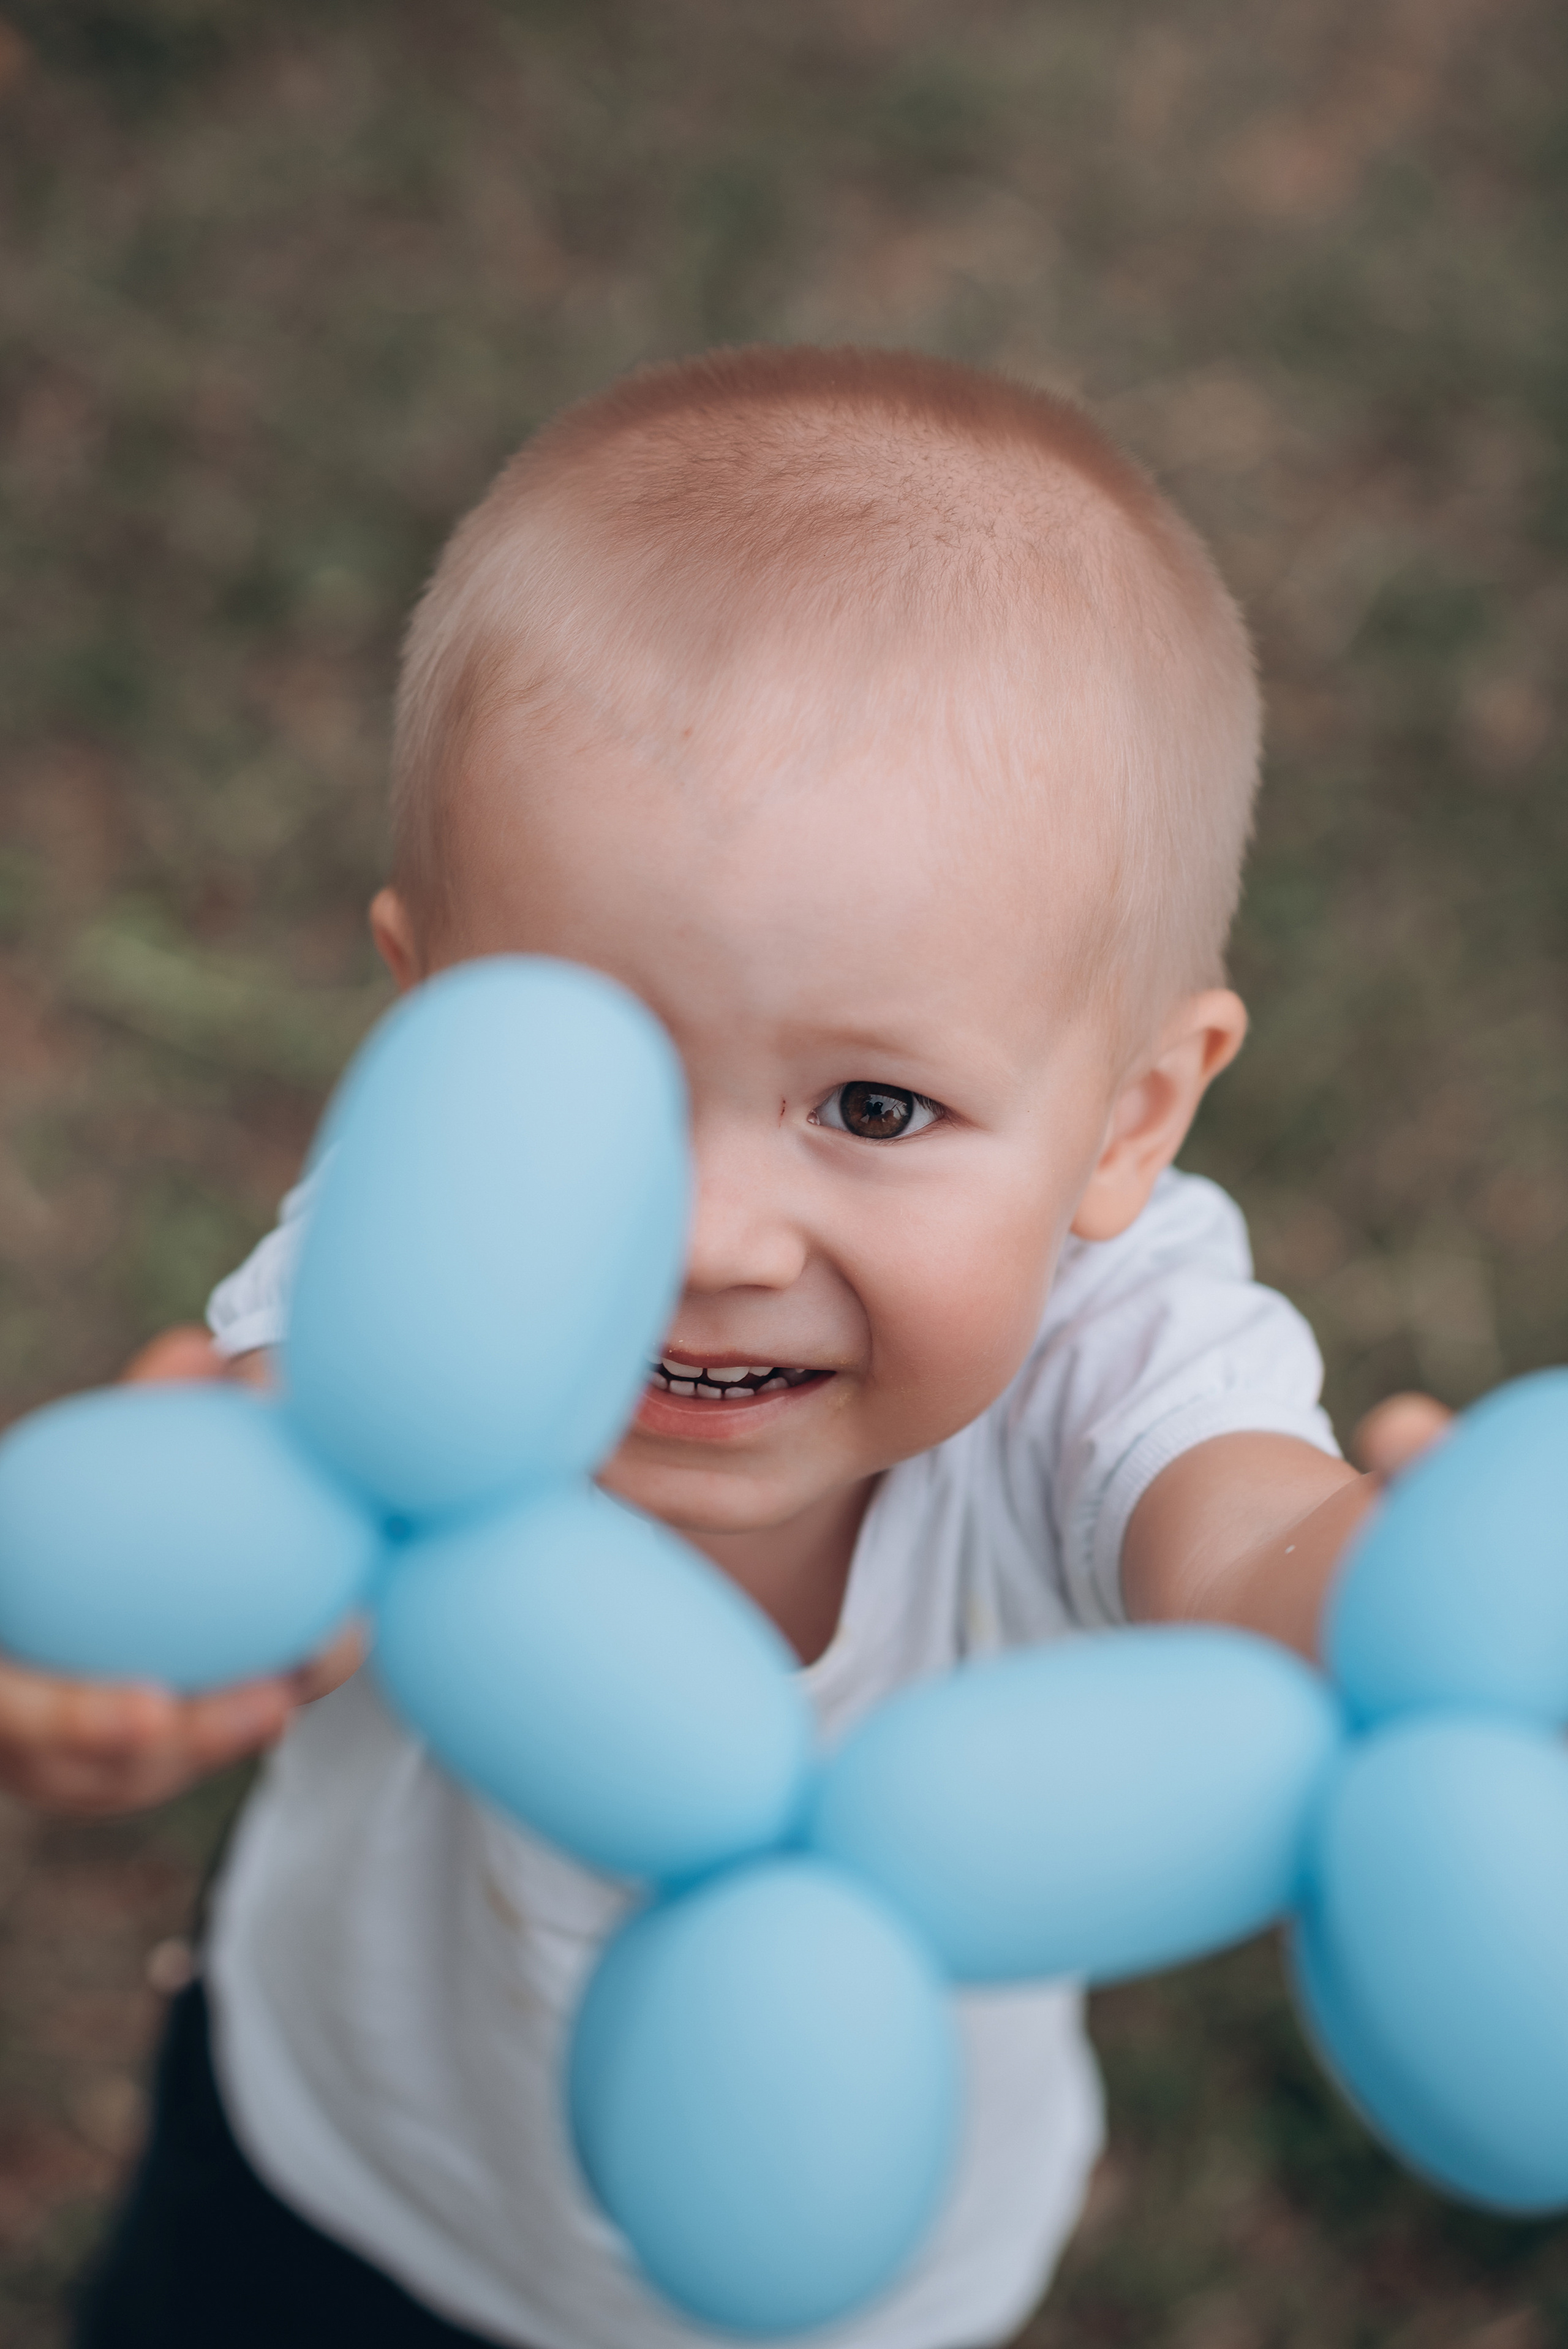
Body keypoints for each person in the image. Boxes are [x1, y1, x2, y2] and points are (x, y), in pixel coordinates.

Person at [2, 346, 1450, 2348]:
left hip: (845, 2267)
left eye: (872, 1109)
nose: (707, 1235)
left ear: (1130, 1115)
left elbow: (1253, 1554)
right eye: (596, 1076)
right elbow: (310, 1503)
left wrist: (1419, 1600)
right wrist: (159, 1642)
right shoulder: (439, 1255)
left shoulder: (1115, 1344)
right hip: (337, 2169)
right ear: (426, 1024)